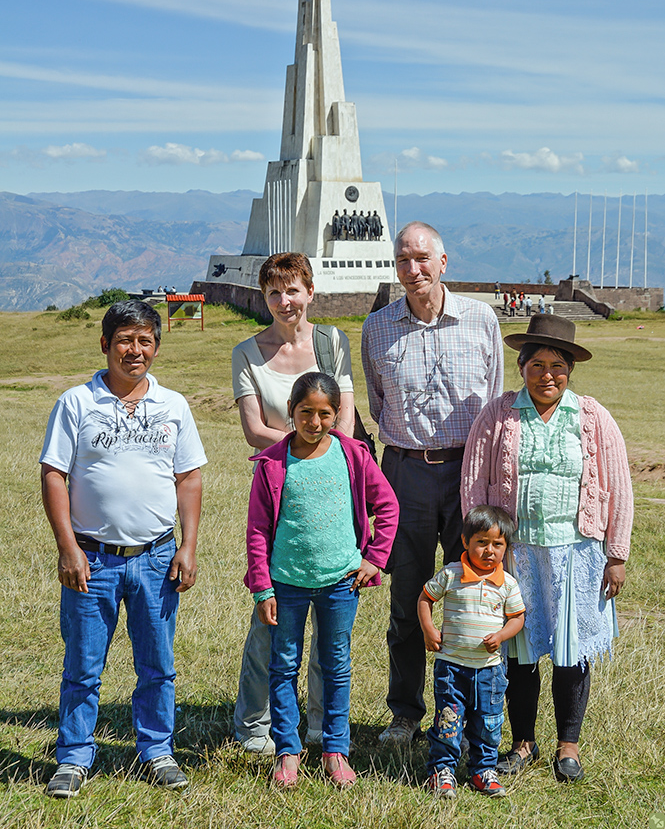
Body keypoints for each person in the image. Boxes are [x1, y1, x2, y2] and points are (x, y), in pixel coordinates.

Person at [40, 300, 206, 799]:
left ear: (156, 346)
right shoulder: (76, 403)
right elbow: (54, 474)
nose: (135, 351)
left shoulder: (173, 405)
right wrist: (68, 548)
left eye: (145, 341)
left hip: (156, 557)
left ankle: (157, 750)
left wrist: (188, 546)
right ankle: (72, 756)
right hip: (92, 559)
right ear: (106, 344)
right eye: (125, 340)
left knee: (158, 664)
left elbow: (189, 477)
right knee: (83, 665)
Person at [461, 314, 633, 783]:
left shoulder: (593, 417)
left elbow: (618, 487)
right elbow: (475, 485)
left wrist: (615, 555)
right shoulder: (497, 415)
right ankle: (522, 742)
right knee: (520, 649)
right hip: (517, 556)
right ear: (521, 367)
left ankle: (568, 746)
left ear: (571, 370)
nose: (547, 375)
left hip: (578, 554)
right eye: (537, 364)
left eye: (558, 365)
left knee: (570, 649)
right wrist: (482, 552)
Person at [361, 221, 503, 746]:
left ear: (444, 262)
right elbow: (379, 405)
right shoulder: (377, 328)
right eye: (403, 260)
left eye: (422, 258)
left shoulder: (481, 320)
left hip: (468, 469)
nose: (413, 269)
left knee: (473, 596)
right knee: (408, 599)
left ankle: (467, 716)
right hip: (404, 474)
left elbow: (492, 402)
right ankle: (405, 713)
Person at [245, 372, 399, 788]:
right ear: (291, 412)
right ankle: (287, 751)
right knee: (283, 666)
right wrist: (262, 586)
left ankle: (336, 749)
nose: (314, 422)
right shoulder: (273, 463)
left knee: (335, 666)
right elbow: (257, 529)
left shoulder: (352, 455)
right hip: (287, 585)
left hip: (340, 583)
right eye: (305, 413)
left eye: (324, 414)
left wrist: (375, 560)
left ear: (337, 414)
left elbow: (386, 505)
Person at [232, 252, 354, 754]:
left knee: (330, 625)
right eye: (275, 293)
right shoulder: (247, 352)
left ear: (310, 292)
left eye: (294, 290)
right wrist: (300, 447)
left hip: (331, 486)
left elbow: (344, 418)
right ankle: (253, 724)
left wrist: (321, 453)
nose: (286, 302)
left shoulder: (332, 342)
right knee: (272, 616)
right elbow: (253, 428)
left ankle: (322, 730)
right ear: (265, 298)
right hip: (279, 487)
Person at [417, 506, 525, 799]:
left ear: (506, 548)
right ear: (465, 541)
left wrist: (502, 635)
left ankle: (482, 770)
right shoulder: (451, 574)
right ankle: (442, 771)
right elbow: (425, 598)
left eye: (497, 544)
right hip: (451, 667)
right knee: (448, 722)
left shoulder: (508, 584)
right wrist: (428, 629)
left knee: (489, 724)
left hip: (490, 670)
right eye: (482, 542)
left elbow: (517, 617)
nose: (489, 550)